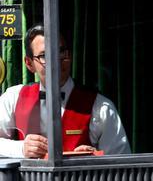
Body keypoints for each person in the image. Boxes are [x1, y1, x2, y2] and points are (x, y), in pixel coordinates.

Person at [0, 25, 131, 159]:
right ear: (29, 64)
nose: (55, 61)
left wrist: (94, 159)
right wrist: (20, 148)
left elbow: (121, 160)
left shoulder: (101, 107)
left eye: (61, 52)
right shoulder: (12, 98)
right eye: (45, 55)